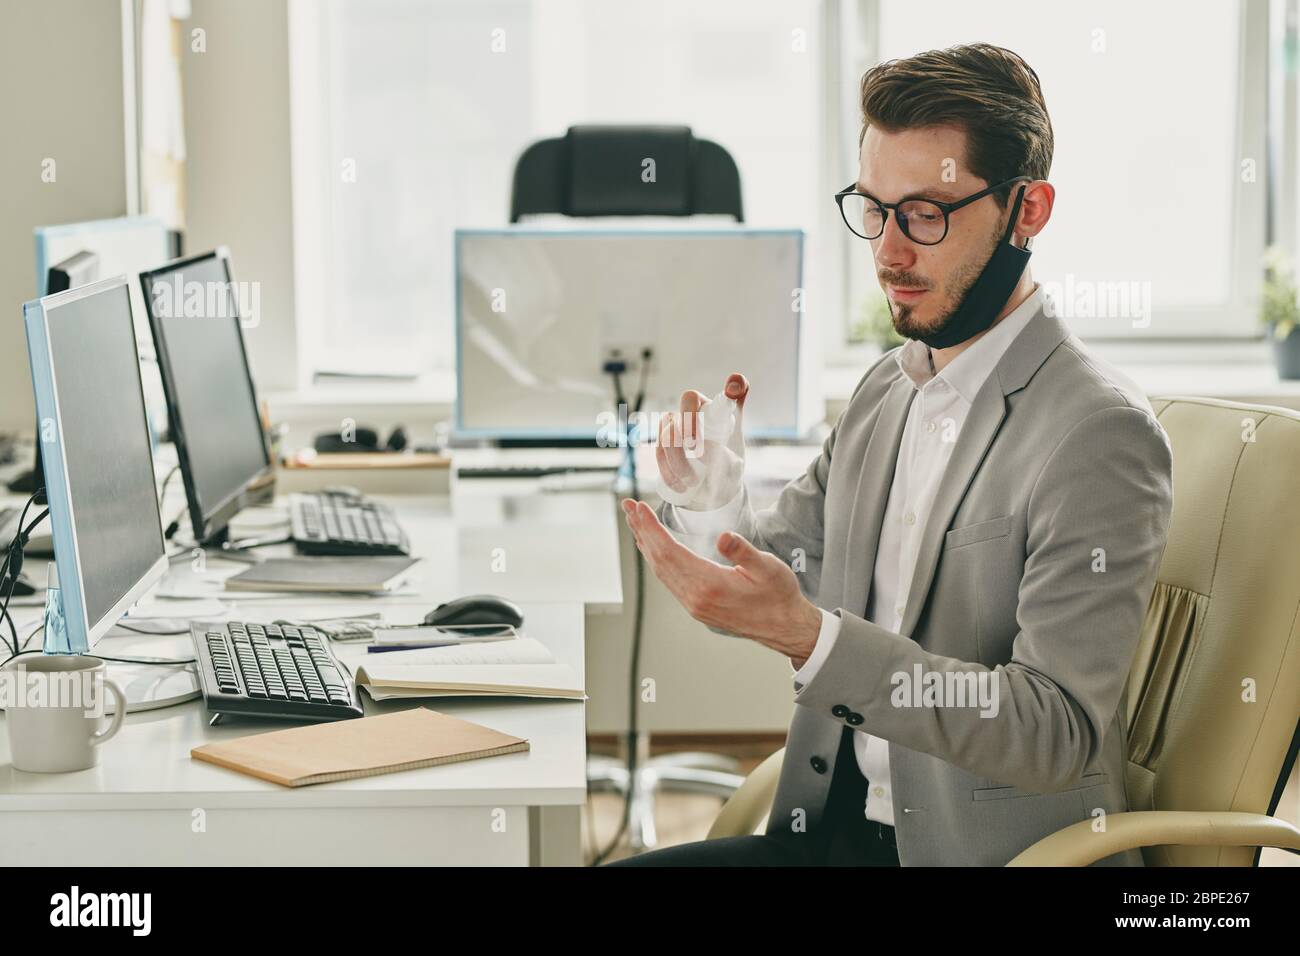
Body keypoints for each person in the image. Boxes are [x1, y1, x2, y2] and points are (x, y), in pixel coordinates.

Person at [612, 43, 1173, 867]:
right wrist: (716, 503)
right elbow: (786, 580)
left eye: (926, 214)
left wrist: (816, 644)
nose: (887, 252)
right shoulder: (889, 389)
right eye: (873, 208)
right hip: (831, 830)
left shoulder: (1097, 434)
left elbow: (1055, 732)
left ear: (1029, 210)